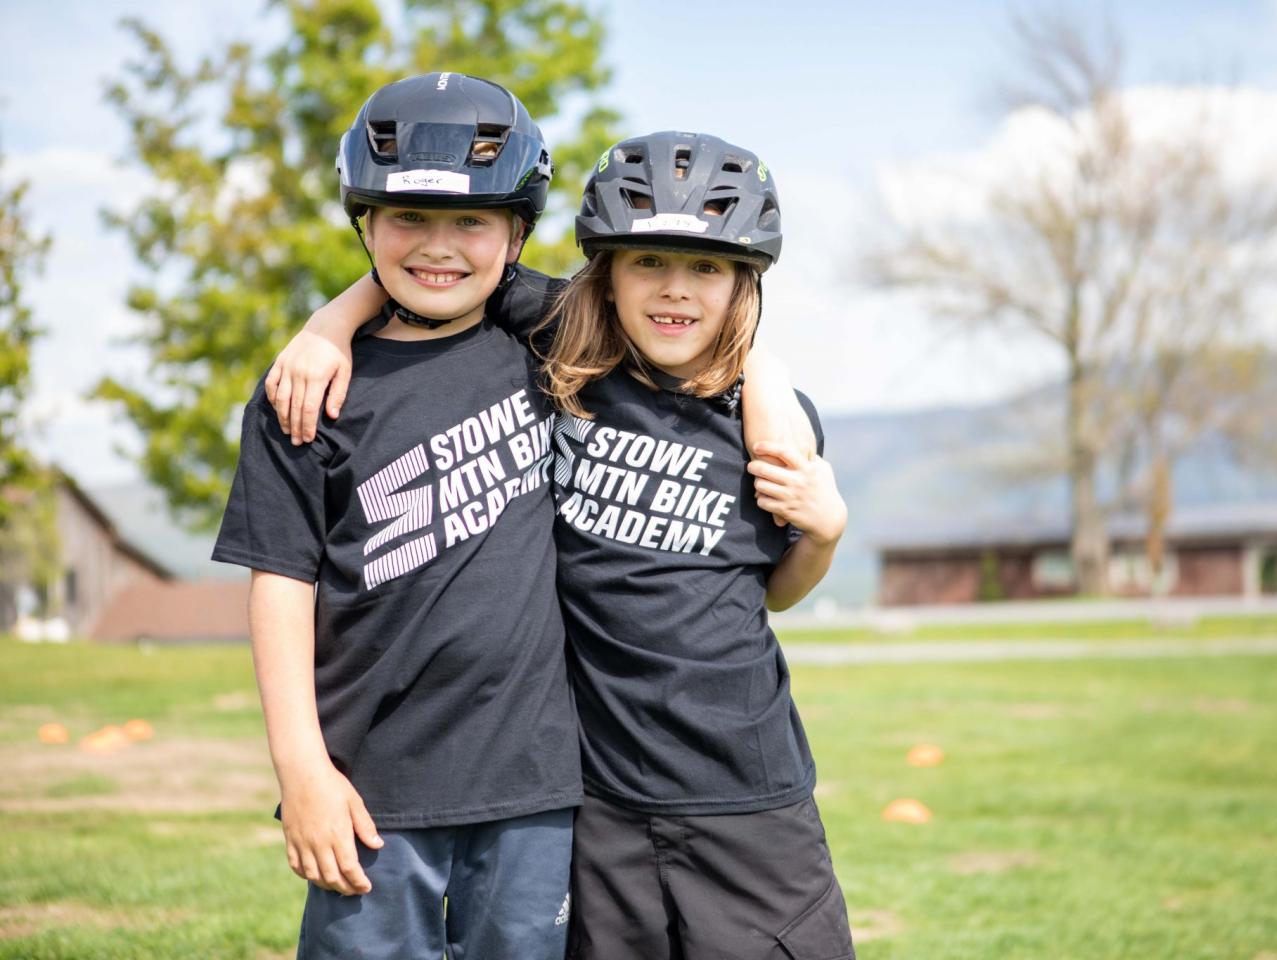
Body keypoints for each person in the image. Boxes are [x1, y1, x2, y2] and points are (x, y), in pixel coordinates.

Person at [267, 131, 854, 959]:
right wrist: (329, 323)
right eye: (647, 264)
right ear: (604, 275)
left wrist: (823, 536)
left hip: (749, 794)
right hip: (601, 804)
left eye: (707, 270)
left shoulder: (769, 424)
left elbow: (771, 589)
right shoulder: (565, 349)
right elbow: (441, 269)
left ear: (743, 281)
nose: (675, 292)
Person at [211, 72, 581, 960]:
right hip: (368, 794)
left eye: (472, 222)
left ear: (517, 233)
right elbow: (281, 589)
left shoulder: (550, 343)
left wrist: (340, 306)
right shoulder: (306, 395)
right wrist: (302, 772)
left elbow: (681, 324)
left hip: (536, 790)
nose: (439, 247)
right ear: (364, 224)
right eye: (407, 217)